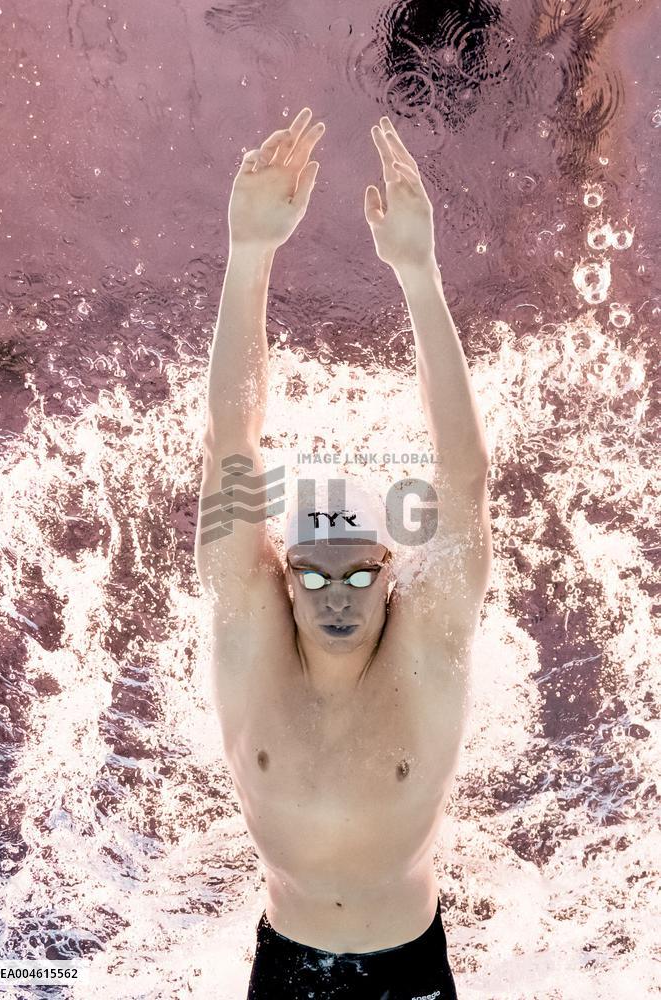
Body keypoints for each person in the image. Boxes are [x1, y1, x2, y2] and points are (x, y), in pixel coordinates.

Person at [194, 106, 492, 999]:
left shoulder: (426, 645)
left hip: (411, 969)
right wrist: (248, 254)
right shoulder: (251, 634)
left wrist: (419, 273)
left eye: (362, 573)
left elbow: (463, 479)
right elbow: (231, 445)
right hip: (285, 965)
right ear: (281, 575)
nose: (336, 593)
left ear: (392, 576)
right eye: (315, 572)